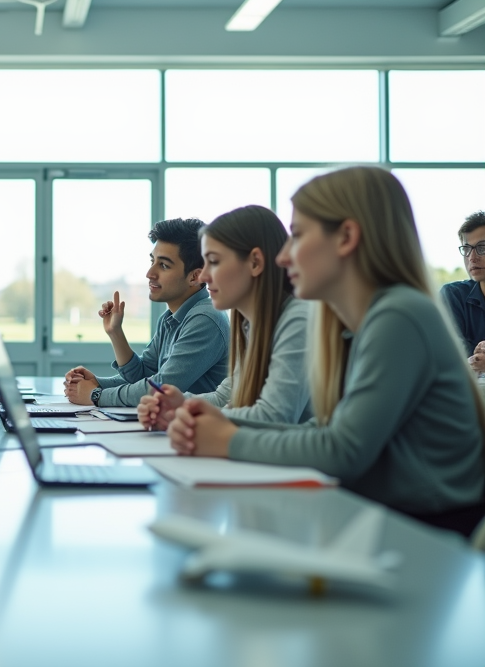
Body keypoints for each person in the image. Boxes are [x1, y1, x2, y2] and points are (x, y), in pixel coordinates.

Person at [169, 167, 485, 536]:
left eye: (298, 235)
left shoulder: (398, 314)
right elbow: (327, 428)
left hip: (427, 535)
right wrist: (219, 421)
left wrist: (227, 438)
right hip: (391, 523)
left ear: (347, 237)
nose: (284, 257)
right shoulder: (361, 321)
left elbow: (342, 450)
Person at [138, 206, 312, 430]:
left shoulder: (296, 321)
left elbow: (274, 417)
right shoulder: (251, 325)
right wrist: (178, 407)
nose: (204, 275)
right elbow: (226, 400)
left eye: (214, 261)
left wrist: (187, 414)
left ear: (255, 263)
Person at [64, 218, 229, 408]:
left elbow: (160, 387)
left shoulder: (205, 319)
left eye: (164, 265)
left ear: (195, 276)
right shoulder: (170, 318)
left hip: (196, 432)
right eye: (153, 261)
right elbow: (145, 375)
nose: (150, 273)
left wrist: (96, 395)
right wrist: (114, 335)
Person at [441, 211, 485, 373]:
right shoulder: (453, 295)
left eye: (482, 247)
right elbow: (452, 354)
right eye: (467, 249)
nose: (472, 257)